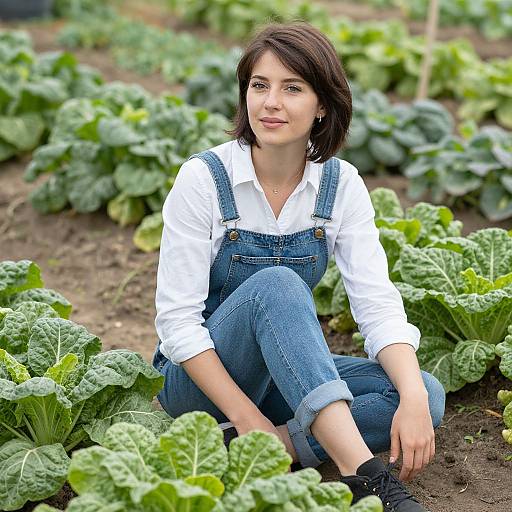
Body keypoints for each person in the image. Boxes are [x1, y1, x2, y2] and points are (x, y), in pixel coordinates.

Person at [152, 21, 445, 511]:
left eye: (293, 88)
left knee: (424, 395)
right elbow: (177, 324)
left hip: (284, 377)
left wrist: (412, 397)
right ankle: (367, 478)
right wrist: (245, 414)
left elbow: (376, 305)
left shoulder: (341, 186)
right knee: (278, 285)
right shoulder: (204, 179)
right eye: (259, 85)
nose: (271, 102)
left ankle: (269, 447)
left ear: (323, 105)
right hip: (199, 383)